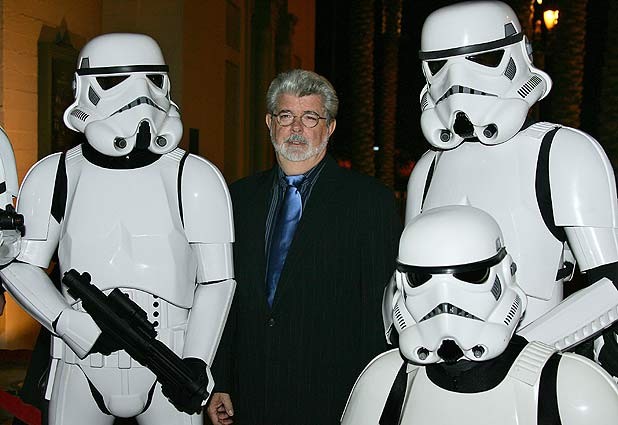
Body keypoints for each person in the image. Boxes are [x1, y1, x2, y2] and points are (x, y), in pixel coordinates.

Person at [0, 33, 236, 425]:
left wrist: (197, 358)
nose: (139, 96)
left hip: (169, 353)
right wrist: (72, 325)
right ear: (84, 89)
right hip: (78, 359)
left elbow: (217, 281)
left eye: (151, 80)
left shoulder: (193, 177)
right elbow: (19, 264)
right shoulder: (56, 175)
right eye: (116, 81)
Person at [381, 0, 618, 373]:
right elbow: (405, 280)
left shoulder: (561, 154)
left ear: (518, 54)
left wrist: (523, 356)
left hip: (537, 370)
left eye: (482, 59)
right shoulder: (427, 169)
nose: (457, 80)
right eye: (440, 65)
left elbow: (610, 286)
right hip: (435, 373)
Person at [207, 69, 402, 425]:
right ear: (270, 123)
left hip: (333, 397)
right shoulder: (237, 199)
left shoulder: (370, 202)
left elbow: (379, 313)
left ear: (329, 128)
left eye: (310, 117)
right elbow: (226, 296)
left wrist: (371, 399)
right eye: (286, 116)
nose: (296, 128)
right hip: (250, 395)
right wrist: (220, 379)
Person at [342, 205, 618, 425]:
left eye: (471, 275)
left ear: (504, 273)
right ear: (401, 284)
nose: (444, 300)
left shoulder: (572, 388)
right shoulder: (384, 381)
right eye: (421, 278)